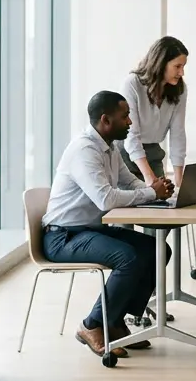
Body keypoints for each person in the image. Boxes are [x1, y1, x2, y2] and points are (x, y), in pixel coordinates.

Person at [43, 91, 175, 358]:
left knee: (156, 250)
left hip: (89, 229)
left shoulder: (110, 147)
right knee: (128, 258)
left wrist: (156, 191)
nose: (130, 122)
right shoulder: (84, 150)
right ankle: (92, 325)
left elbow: (129, 182)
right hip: (63, 236)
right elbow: (105, 199)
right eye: (125, 116)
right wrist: (151, 193)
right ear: (105, 120)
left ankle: (113, 322)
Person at [120, 36, 188, 186]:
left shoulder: (180, 90)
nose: (182, 72)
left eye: (183, 66)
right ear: (161, 63)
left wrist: (180, 182)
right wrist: (149, 177)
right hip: (126, 154)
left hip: (154, 153)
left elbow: (178, 134)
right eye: (177, 66)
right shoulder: (132, 84)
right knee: (136, 197)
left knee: (163, 196)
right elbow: (131, 136)